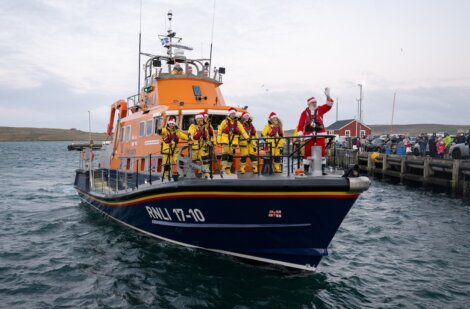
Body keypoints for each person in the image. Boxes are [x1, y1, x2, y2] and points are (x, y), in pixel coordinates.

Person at [295, 87, 334, 174]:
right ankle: (306, 169)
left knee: (322, 151)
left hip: (320, 134)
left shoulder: (320, 109)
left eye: (315, 102)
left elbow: (328, 105)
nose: (315, 103)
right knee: (307, 151)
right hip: (308, 135)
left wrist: (328, 96)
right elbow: (301, 123)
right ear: (309, 104)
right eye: (313, 102)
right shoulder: (304, 113)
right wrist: (300, 132)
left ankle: (322, 169)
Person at [217, 107, 249, 174]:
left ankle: (228, 169)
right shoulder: (224, 122)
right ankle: (223, 169)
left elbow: (243, 131)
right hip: (225, 140)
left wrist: (247, 137)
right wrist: (218, 140)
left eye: (234, 113)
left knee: (231, 156)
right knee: (225, 155)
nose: (233, 115)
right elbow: (219, 131)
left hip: (234, 141)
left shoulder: (237, 123)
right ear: (229, 114)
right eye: (232, 113)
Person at [161, 116, 188, 180]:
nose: (171, 125)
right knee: (166, 165)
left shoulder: (177, 131)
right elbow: (162, 132)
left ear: (174, 124)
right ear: (168, 124)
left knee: (179, 161)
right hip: (167, 150)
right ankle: (166, 176)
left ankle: (181, 174)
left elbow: (182, 135)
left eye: (173, 124)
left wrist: (188, 138)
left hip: (175, 150)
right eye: (170, 123)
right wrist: (159, 130)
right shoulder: (165, 130)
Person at [188, 112, 211, 178]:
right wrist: (190, 139)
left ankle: (206, 174)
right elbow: (190, 134)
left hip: (202, 147)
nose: (201, 119)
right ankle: (192, 175)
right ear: (196, 119)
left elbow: (206, 137)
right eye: (199, 118)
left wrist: (208, 142)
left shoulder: (204, 127)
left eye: (201, 118)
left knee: (205, 160)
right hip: (194, 147)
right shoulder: (192, 126)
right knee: (193, 161)